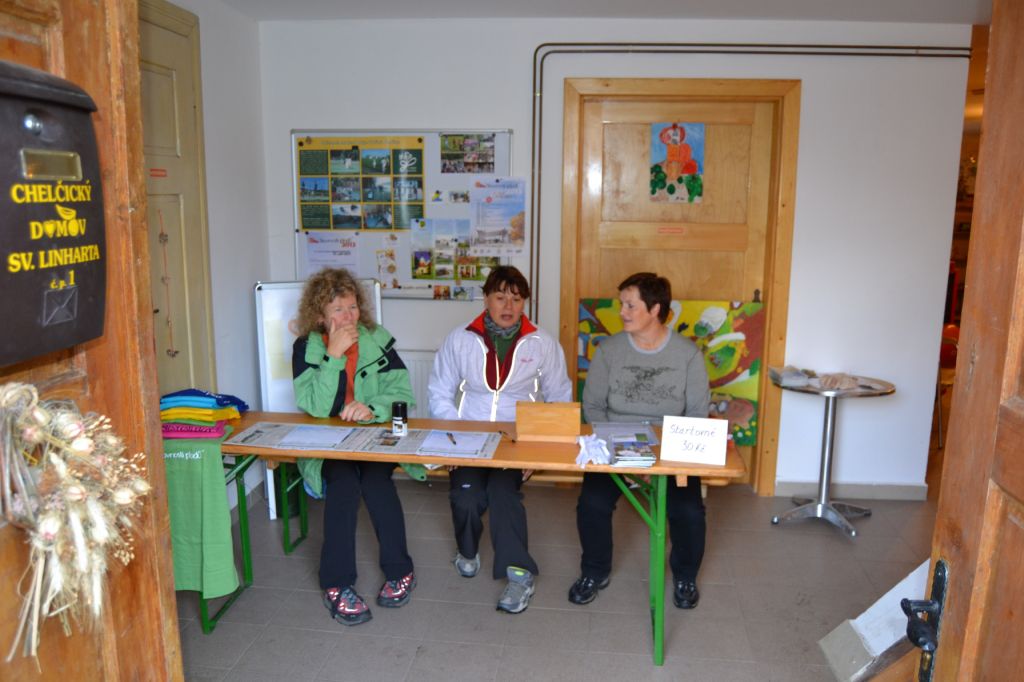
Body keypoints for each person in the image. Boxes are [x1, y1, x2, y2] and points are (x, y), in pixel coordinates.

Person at [428, 265, 571, 613]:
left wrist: (536, 450)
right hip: (469, 437)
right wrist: (454, 439)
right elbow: (439, 392)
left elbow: (559, 399)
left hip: (515, 440)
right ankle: (467, 550)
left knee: (503, 496)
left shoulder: (542, 343)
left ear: (525, 303)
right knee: (467, 497)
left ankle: (519, 574)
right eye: (500, 297)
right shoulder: (460, 339)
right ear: (486, 299)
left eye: (516, 299)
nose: (508, 306)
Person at [568, 272, 710, 610]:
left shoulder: (688, 354)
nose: (622, 312)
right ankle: (594, 571)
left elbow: (696, 414)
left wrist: (655, 460)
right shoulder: (609, 350)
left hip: (670, 447)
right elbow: (593, 406)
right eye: (622, 304)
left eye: (630, 305)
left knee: (689, 510)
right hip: (614, 442)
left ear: (655, 309)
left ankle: (685, 577)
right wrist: (627, 455)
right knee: (592, 504)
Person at [292, 267, 418, 626]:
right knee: (344, 484)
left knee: (377, 483)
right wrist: (333, 356)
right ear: (320, 316)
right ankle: (336, 583)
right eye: (338, 310)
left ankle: (400, 570)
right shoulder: (306, 347)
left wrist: (372, 408)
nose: (348, 317)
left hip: (374, 435)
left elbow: (403, 393)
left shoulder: (377, 338)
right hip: (330, 443)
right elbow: (315, 406)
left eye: (352, 307)